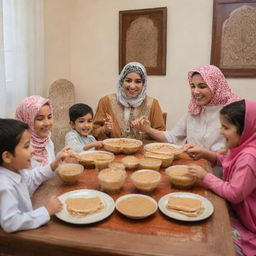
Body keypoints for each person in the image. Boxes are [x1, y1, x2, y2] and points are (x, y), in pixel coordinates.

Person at [187, 100, 256, 256]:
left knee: (211, 238)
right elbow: (228, 161)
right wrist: (206, 154)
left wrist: (206, 177)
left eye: (226, 127)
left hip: (248, 217)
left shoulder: (249, 158)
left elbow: (235, 194)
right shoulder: (245, 147)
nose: (221, 132)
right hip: (238, 210)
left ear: (245, 129)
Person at [132, 64, 240, 152]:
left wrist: (204, 154)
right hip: (193, 169)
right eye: (193, 86)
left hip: (220, 174)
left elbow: (238, 151)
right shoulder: (195, 109)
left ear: (216, 86)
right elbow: (172, 137)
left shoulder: (233, 111)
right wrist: (147, 129)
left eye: (202, 86)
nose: (195, 92)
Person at [0, 119, 72, 233]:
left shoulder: (17, 171)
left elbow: (32, 177)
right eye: (27, 146)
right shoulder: (4, 185)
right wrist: (46, 211)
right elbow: (11, 222)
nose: (33, 150)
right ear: (7, 156)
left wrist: (54, 165)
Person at [92, 62, 165, 141]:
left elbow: (161, 135)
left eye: (138, 81)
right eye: (128, 80)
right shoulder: (106, 101)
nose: (132, 86)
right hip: (113, 152)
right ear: (121, 81)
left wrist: (148, 129)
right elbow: (93, 132)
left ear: (143, 84)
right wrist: (105, 130)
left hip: (143, 152)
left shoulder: (153, 104)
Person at [15, 95, 55, 168]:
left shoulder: (47, 141)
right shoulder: (20, 149)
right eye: (40, 119)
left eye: (49, 117)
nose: (47, 123)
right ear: (27, 121)